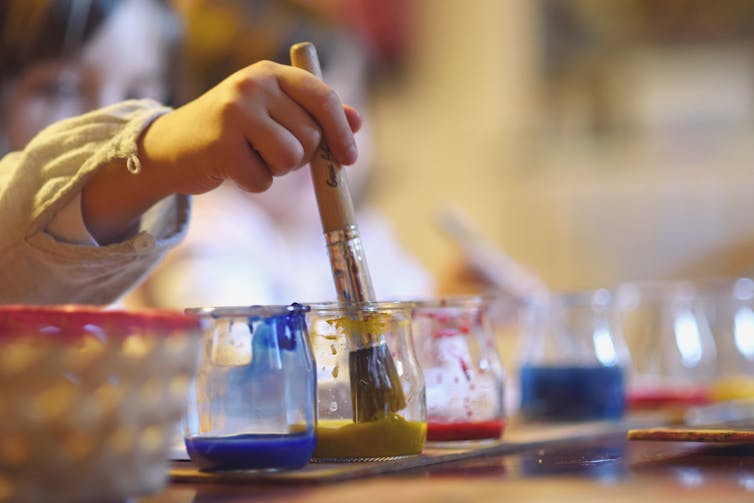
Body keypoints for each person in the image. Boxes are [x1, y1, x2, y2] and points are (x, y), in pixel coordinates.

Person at [1, 0, 433, 307]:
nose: (108, 120)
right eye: (60, 89)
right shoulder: (212, 229)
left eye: (141, 95)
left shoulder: (369, 231)